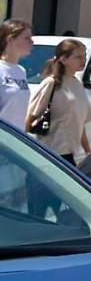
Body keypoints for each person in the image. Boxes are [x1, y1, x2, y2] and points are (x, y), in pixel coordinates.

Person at [27, 38, 91, 165]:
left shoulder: (77, 84)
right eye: (78, 57)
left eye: (84, 56)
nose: (83, 60)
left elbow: (80, 124)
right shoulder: (51, 83)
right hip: (50, 153)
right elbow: (30, 117)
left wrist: (87, 151)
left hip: (72, 154)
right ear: (63, 59)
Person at [0, 18, 33, 205]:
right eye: (26, 38)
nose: (31, 42)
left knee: (16, 203)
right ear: (10, 39)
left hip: (16, 147)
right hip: (2, 147)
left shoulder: (20, 71)